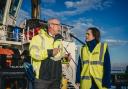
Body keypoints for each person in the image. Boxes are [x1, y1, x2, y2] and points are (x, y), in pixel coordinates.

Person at [29, 18, 69, 89]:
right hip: (42, 79)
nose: (60, 27)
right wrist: (50, 52)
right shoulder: (38, 38)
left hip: (56, 80)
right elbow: (33, 53)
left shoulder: (59, 41)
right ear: (51, 25)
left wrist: (66, 59)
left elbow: (58, 59)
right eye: (58, 25)